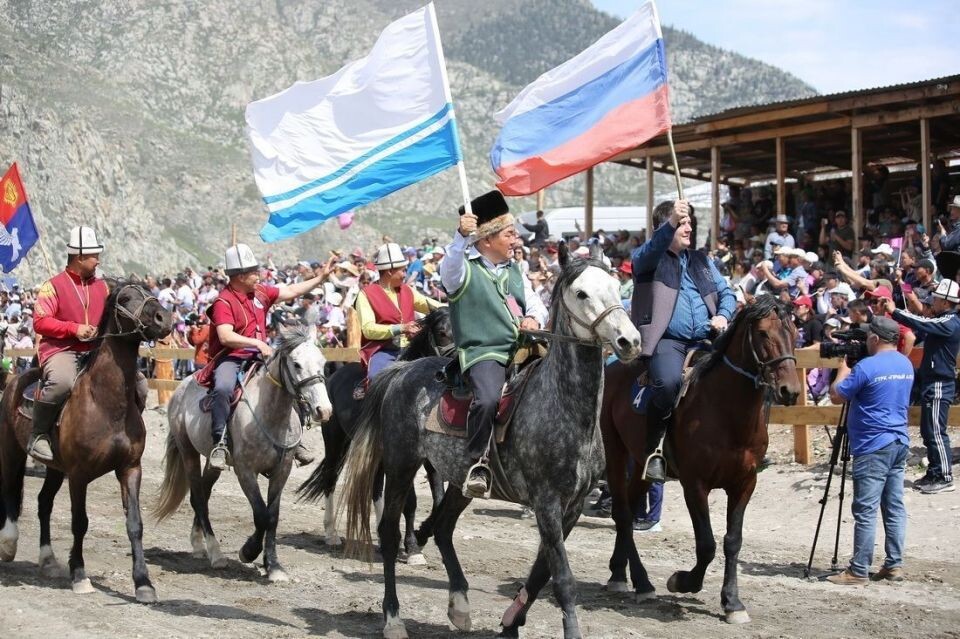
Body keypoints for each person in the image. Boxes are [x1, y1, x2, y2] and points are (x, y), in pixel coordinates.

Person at [440, 191, 548, 498]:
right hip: (484, 352)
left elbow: (538, 305)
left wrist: (533, 319)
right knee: (487, 399)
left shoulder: (516, 270)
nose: (516, 240)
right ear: (487, 240)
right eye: (510, 234)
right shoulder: (462, 270)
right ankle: (478, 462)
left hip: (524, 349)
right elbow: (448, 271)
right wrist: (460, 236)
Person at [631, 200, 737, 483]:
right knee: (667, 385)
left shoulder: (702, 260)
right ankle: (655, 449)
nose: (688, 227)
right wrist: (670, 223)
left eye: (690, 222)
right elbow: (651, 249)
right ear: (664, 227)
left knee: (742, 375)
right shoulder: (648, 259)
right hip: (668, 342)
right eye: (682, 222)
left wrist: (724, 316)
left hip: (707, 340)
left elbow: (727, 293)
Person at [206, 243, 328, 471]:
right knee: (223, 388)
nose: (258, 274)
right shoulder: (223, 301)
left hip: (262, 355)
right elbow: (225, 336)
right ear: (240, 276)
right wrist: (257, 342)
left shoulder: (260, 292)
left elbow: (291, 291)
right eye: (253, 271)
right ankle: (219, 442)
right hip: (232, 357)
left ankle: (296, 439)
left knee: (294, 378)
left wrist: (320, 278)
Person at [27, 226, 134, 462]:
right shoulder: (52, 286)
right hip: (61, 350)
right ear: (80, 257)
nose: (98, 260)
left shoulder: (103, 286)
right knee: (61, 382)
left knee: (140, 384)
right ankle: (38, 434)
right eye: (94, 256)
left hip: (95, 352)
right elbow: (40, 322)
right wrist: (74, 328)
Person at [827, 316, 913, 585]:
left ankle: (858, 569)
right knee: (894, 506)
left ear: (875, 338)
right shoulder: (905, 363)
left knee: (865, 509)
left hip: (872, 445)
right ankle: (894, 564)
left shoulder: (866, 367)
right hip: (899, 441)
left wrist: (843, 368)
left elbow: (836, 395)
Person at [886, 280, 960, 494]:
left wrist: (895, 311)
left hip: (939, 382)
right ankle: (935, 471)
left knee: (936, 431)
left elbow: (920, 322)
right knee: (929, 431)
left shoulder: (949, 321)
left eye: (936, 298)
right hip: (933, 380)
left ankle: (945, 476)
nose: (933, 302)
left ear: (946, 303)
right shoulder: (945, 319)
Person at [354, 242, 443, 387]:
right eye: (403, 270)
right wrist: (401, 328)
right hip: (384, 351)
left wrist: (454, 307)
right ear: (390, 271)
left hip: (412, 349)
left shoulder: (407, 290)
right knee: (376, 379)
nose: (405, 274)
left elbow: (431, 305)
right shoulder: (365, 295)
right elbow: (368, 329)